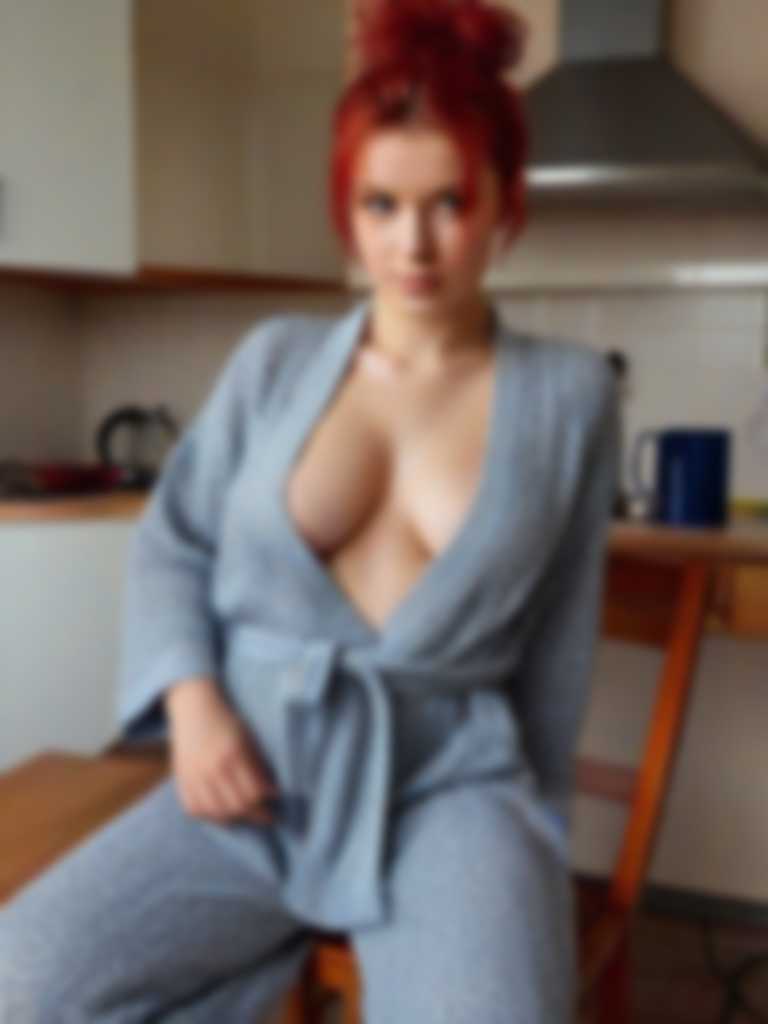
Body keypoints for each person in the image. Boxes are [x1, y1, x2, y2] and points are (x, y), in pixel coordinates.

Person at [0, 1, 620, 1020]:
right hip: (250, 771)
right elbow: (175, 542)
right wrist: (193, 708)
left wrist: (534, 842)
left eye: (450, 201)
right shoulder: (275, 363)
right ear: (347, 208)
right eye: (381, 204)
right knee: (23, 979)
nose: (413, 244)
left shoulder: (571, 395)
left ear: (505, 198)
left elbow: (560, 636)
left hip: (449, 788)